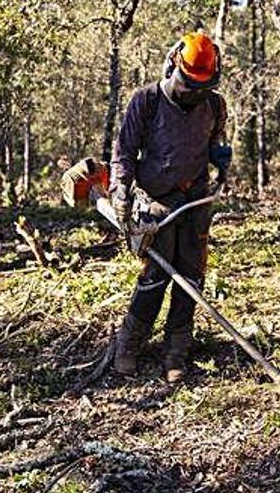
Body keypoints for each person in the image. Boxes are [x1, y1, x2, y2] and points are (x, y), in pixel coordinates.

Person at [109, 31, 232, 383]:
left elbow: (215, 141)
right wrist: (121, 192)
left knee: (191, 277)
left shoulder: (213, 105)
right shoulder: (146, 101)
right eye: (189, 83)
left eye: (202, 86)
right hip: (157, 204)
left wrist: (220, 160)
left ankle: (176, 351)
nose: (194, 92)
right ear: (173, 66)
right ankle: (128, 346)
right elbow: (124, 153)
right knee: (155, 276)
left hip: (196, 200)